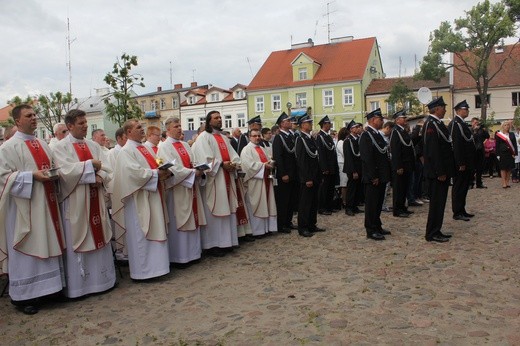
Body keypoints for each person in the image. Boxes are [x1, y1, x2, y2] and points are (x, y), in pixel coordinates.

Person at [0, 105, 65, 314]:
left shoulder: (42, 144)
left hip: (46, 203)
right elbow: (3, 178)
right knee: (27, 248)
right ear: (17, 121)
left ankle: (51, 289)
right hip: (23, 209)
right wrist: (31, 176)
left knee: (47, 240)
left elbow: (52, 166)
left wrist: (55, 175)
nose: (34, 118)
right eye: (29, 116)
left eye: (35, 115)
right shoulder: (8, 147)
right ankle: (25, 296)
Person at [52, 109, 116, 297]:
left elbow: (107, 167)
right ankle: (80, 287)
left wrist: (100, 176)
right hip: (76, 202)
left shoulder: (93, 145)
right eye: (81, 123)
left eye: (86, 122)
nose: (85, 126)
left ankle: (103, 281)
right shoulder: (60, 147)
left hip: (95, 199)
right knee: (78, 237)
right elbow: (64, 171)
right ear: (70, 126)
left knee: (99, 233)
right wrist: (91, 169)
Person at [111, 119, 171, 280]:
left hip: (153, 195)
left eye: (142, 127)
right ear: (128, 132)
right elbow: (133, 174)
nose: (142, 130)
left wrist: (166, 169)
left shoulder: (146, 149)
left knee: (156, 227)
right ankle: (144, 272)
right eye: (139, 127)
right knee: (142, 233)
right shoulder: (126, 152)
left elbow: (158, 162)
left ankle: (160, 268)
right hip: (139, 200)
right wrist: (156, 173)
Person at [191, 111, 241, 256]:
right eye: (216, 118)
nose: (219, 120)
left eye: (220, 118)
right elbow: (204, 159)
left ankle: (227, 242)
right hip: (215, 180)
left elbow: (234, 155)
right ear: (208, 121)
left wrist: (234, 164)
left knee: (228, 209)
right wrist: (221, 164)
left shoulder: (223, 138)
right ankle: (213, 244)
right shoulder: (203, 138)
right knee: (215, 211)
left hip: (226, 177)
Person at [158, 117, 206, 266]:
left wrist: (199, 169)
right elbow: (172, 169)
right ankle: (180, 257)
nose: (180, 128)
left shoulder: (185, 144)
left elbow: (193, 161)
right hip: (177, 191)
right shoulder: (164, 147)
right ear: (168, 130)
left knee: (193, 219)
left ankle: (194, 253)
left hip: (191, 188)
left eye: (180, 125)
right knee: (180, 220)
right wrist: (193, 173)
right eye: (176, 126)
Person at [422, 97, 454, 243]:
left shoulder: (437, 124)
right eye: (443, 107)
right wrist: (440, 171)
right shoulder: (431, 124)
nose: (445, 110)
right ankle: (432, 233)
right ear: (436, 109)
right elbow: (433, 151)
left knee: (440, 203)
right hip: (437, 173)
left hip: (443, 171)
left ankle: (437, 229)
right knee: (436, 203)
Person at [359, 109, 391, 240]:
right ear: (372, 120)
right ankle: (371, 229)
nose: (382, 121)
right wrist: (374, 176)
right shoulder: (366, 136)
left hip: (381, 175)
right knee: (372, 205)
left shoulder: (377, 135)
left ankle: (377, 225)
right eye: (380, 119)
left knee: (378, 204)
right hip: (373, 177)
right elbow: (367, 158)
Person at [240, 128, 277, 237]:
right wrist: (263, 165)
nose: (257, 138)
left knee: (267, 203)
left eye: (258, 136)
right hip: (255, 182)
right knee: (256, 205)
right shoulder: (246, 150)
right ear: (249, 137)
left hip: (265, 180)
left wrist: (271, 163)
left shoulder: (262, 148)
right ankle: (258, 231)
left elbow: (268, 159)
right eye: (254, 136)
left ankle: (267, 228)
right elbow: (248, 166)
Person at [295, 114, 325, 237]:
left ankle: (312, 224)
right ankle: (303, 227)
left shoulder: (310, 138)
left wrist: (318, 175)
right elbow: (301, 161)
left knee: (313, 202)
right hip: (307, 177)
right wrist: (307, 178)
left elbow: (315, 157)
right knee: (305, 203)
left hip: (315, 176)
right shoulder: (300, 139)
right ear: (302, 125)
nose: (311, 124)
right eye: (308, 122)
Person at [448, 100, 476, 221]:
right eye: (466, 109)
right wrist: (460, 162)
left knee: (464, 187)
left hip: (467, 162)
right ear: (459, 110)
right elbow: (457, 145)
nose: (467, 111)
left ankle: (462, 209)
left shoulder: (462, 123)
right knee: (459, 187)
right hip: (461, 163)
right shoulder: (456, 124)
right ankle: (457, 211)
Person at [272, 112, 298, 233]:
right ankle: (281, 224)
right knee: (283, 200)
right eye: (288, 121)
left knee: (291, 200)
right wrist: (283, 174)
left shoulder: (290, 136)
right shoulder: (279, 137)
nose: (290, 122)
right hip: (285, 174)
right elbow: (278, 157)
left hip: (293, 173)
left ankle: (288, 221)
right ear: (282, 124)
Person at [106, 127, 127, 259]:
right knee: (122, 222)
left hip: (131, 192)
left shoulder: (129, 151)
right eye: (126, 137)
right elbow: (110, 174)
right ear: (119, 138)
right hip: (120, 191)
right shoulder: (112, 153)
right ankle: (121, 249)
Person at [390, 110, 415, 218]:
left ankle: (403, 207)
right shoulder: (395, 132)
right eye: (403, 118)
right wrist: (398, 166)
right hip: (401, 165)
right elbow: (395, 150)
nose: (405, 119)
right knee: (399, 188)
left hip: (407, 164)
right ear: (397, 120)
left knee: (404, 187)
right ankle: (397, 209)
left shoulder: (403, 131)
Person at [316, 115, 339, 215]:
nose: (330, 125)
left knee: (330, 187)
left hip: (332, 166)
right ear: (324, 125)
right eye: (328, 123)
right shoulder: (320, 137)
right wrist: (324, 167)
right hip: (326, 167)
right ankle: (322, 207)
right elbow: (321, 153)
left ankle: (329, 206)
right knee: (324, 188)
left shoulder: (327, 136)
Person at [343, 120, 364, 216]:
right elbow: (348, 157)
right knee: (351, 188)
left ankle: (355, 205)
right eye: (355, 127)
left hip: (360, 167)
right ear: (351, 129)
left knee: (358, 188)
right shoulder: (348, 141)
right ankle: (349, 207)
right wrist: (353, 171)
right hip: (352, 168)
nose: (358, 128)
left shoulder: (358, 139)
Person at [495, 121, 518, 188]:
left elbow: (514, 144)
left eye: (508, 125)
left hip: (510, 153)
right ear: (502, 126)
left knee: (509, 168)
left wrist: (515, 153)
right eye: (505, 125)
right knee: (503, 168)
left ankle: (507, 182)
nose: (507, 126)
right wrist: (497, 154)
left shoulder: (512, 134)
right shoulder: (499, 134)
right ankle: (504, 182)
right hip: (502, 153)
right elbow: (497, 145)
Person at [471, 117, 489, 188]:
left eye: (477, 123)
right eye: (475, 122)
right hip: (472, 151)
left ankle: (479, 183)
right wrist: (475, 132)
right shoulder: (470, 130)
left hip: (480, 151)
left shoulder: (481, 130)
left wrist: (484, 130)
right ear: (472, 123)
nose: (476, 124)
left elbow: (487, 136)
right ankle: (471, 183)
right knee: (472, 168)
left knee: (479, 168)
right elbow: (471, 139)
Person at [336, 127, 349, 208]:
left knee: (347, 184)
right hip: (342, 164)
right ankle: (344, 201)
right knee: (344, 184)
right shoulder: (341, 142)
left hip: (345, 164)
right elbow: (345, 154)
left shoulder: (344, 142)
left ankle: (347, 200)